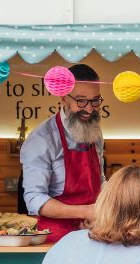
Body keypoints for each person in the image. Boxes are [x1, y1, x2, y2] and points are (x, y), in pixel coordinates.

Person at [20, 63, 106, 243]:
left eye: (95, 100)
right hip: (55, 239)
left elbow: (100, 181)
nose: (89, 109)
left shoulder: (94, 132)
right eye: (81, 100)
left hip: (94, 233)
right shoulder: (42, 139)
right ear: (63, 98)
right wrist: (86, 212)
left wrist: (110, 204)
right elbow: (34, 199)